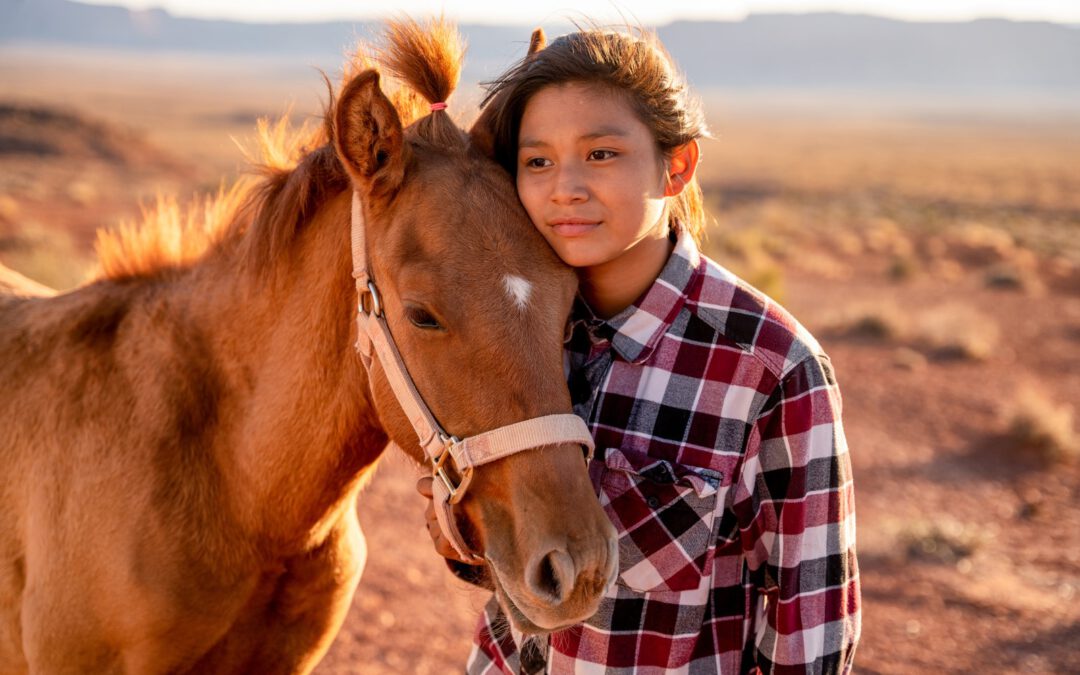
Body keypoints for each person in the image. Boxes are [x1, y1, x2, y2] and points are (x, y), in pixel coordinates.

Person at [417, 25, 861, 674]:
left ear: (675, 165)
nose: (564, 187)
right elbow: (497, 544)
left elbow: (810, 639)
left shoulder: (770, 369)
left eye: (600, 154)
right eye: (537, 161)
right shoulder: (520, 323)